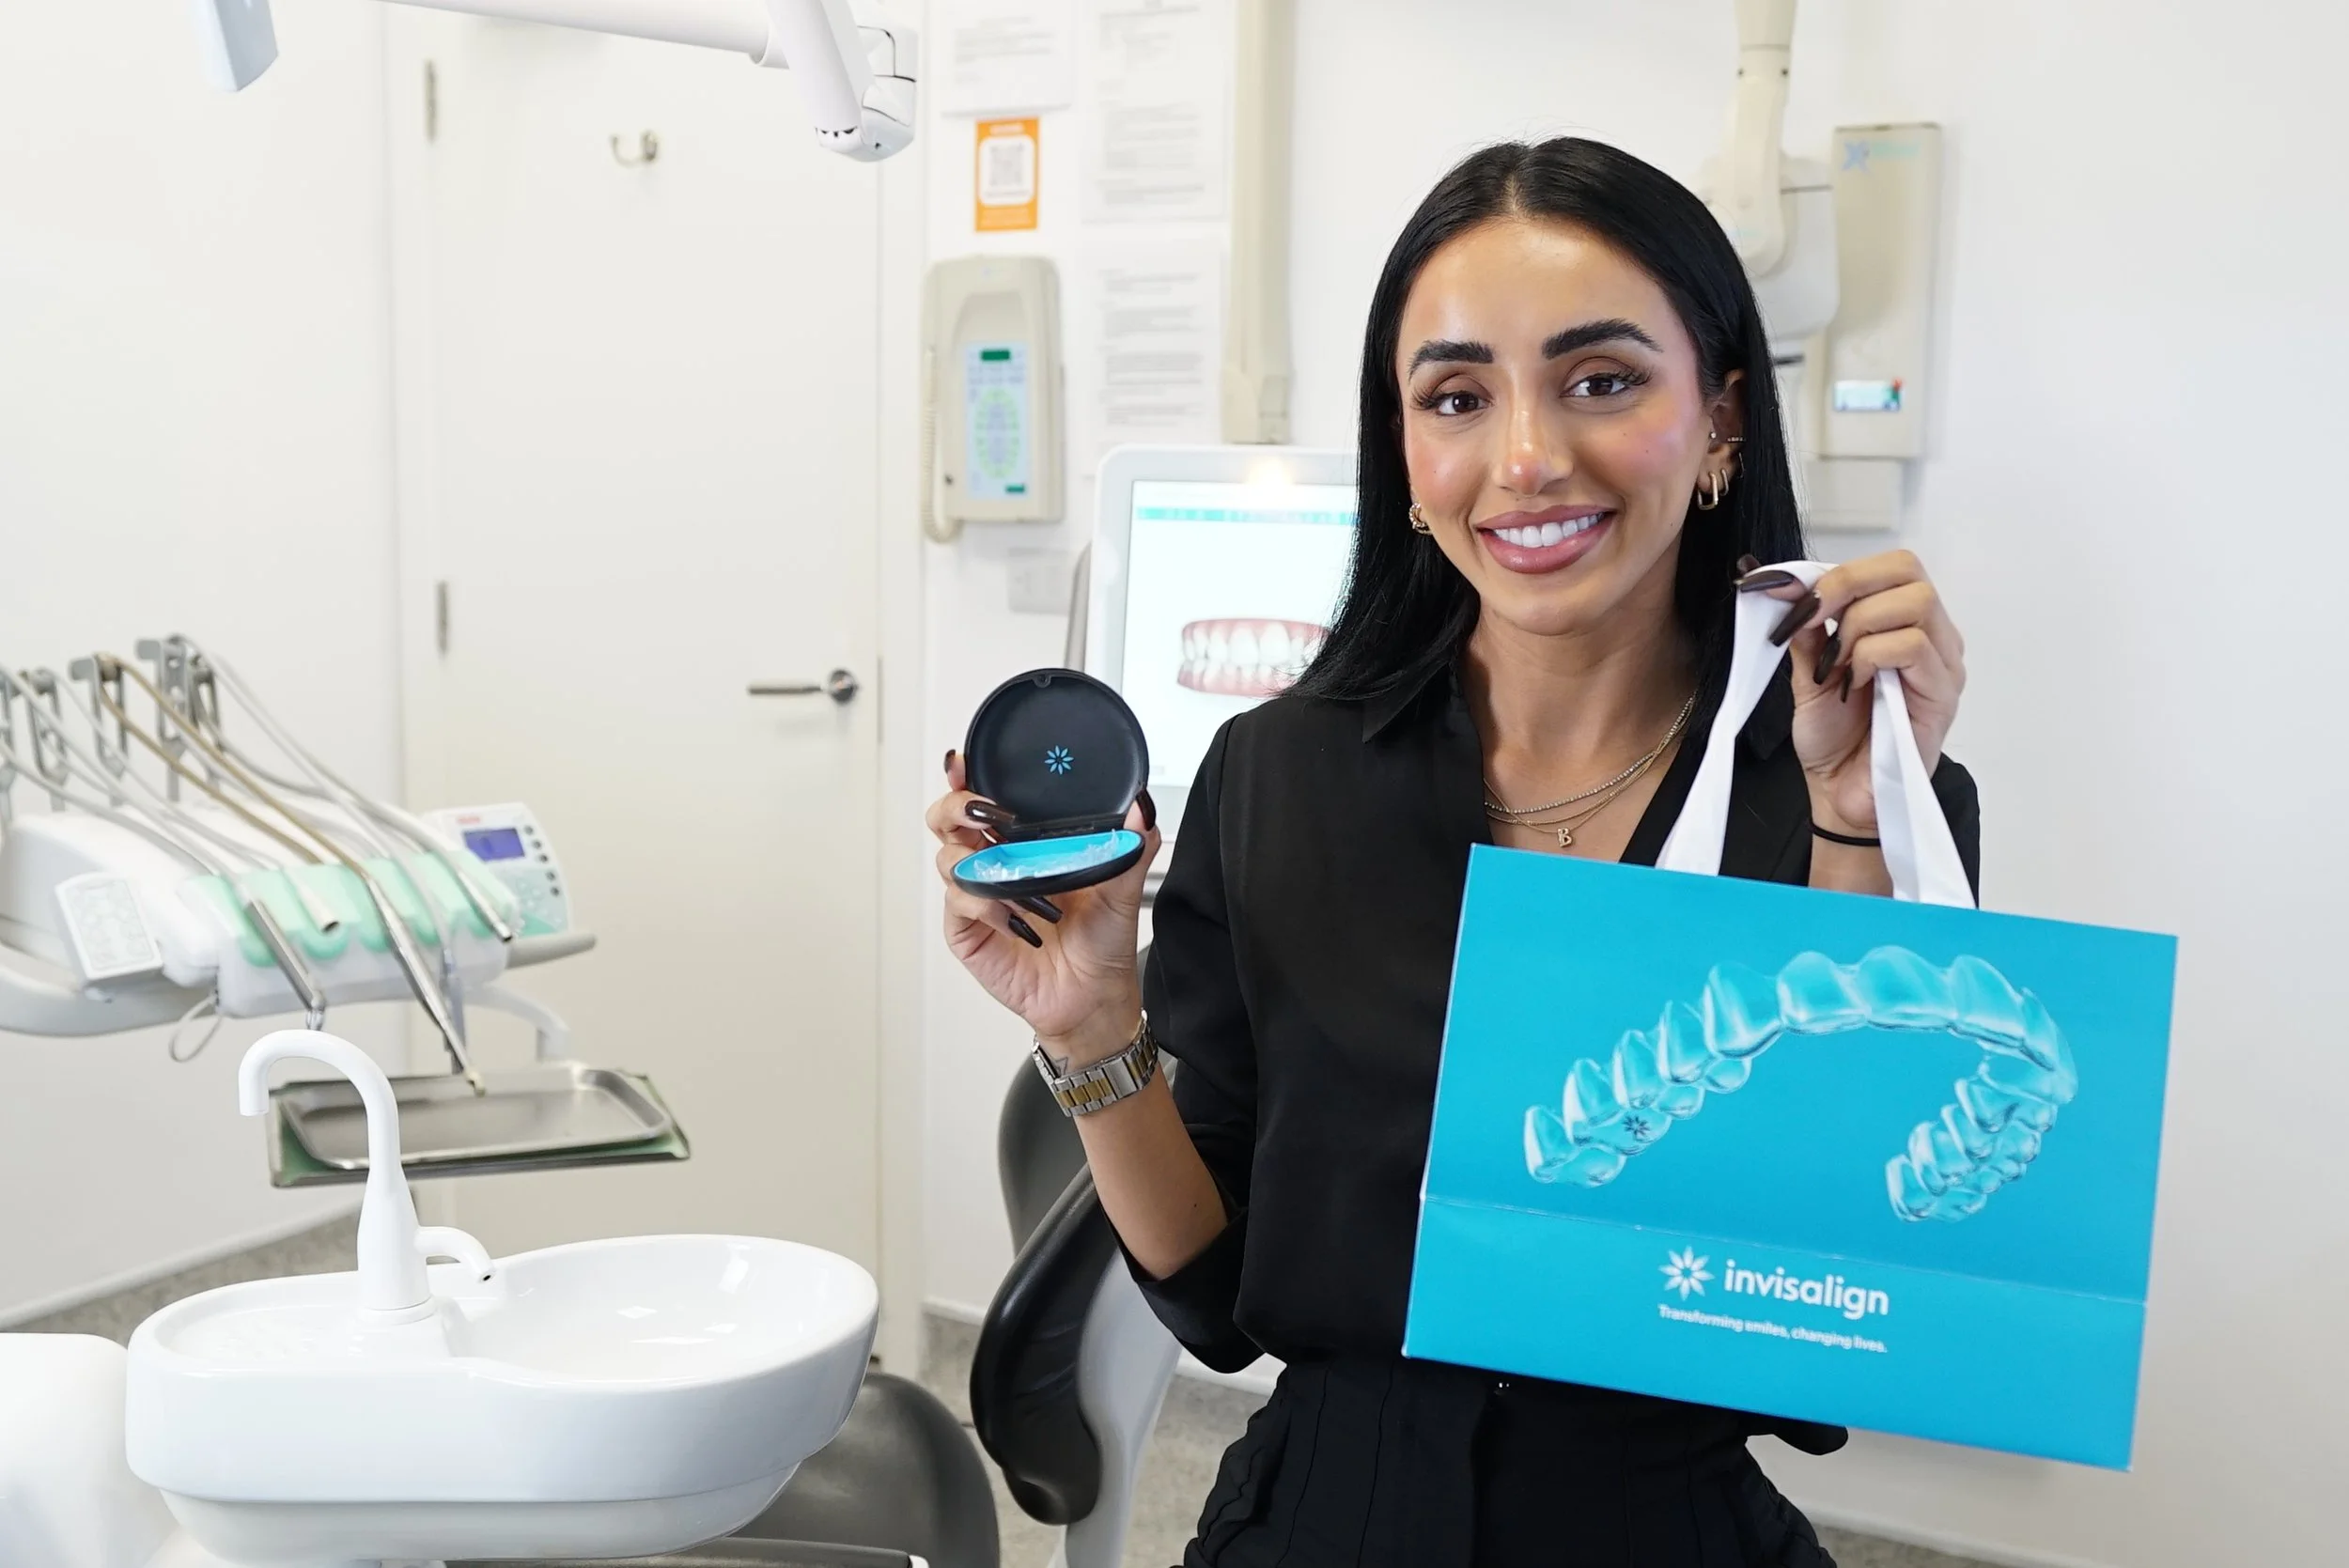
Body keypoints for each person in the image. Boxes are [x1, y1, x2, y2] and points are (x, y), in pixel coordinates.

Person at [929, 136, 1976, 1568]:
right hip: (1322, 1520)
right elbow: (1219, 1293)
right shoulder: (1280, 775)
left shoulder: (1852, 788)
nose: (1527, 456)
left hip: (1662, 1531)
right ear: (1406, 452)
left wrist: (1858, 820)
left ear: (1723, 418)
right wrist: (1096, 1022)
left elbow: (1833, 1335)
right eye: (1458, 397)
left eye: (1602, 380)